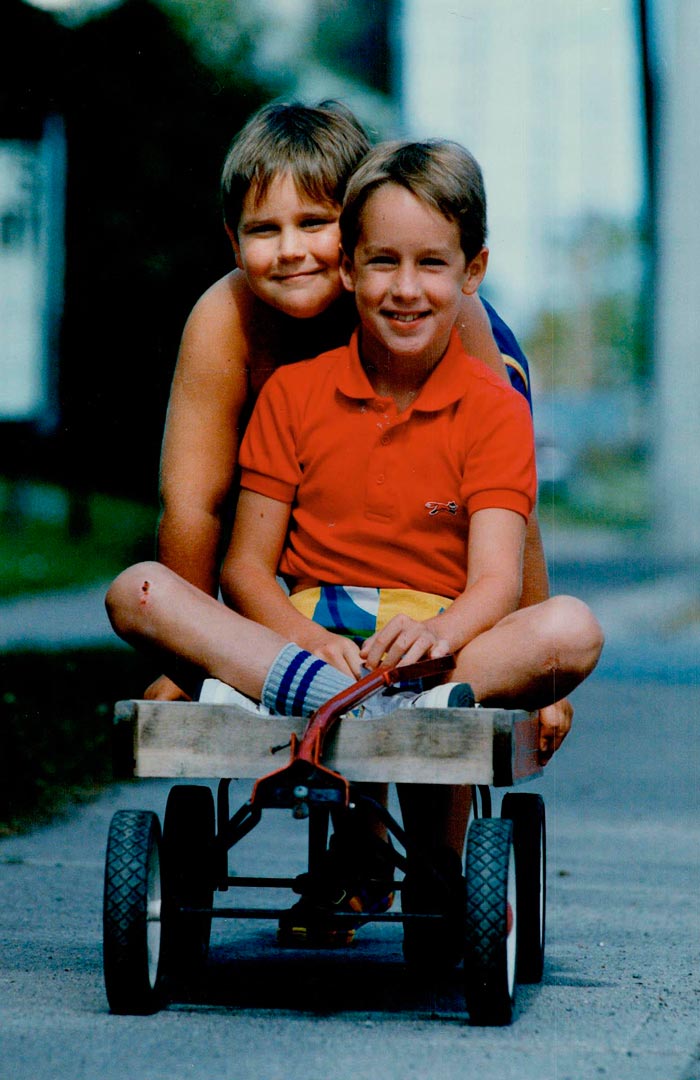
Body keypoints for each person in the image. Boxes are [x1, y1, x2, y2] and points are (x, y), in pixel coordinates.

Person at [218, 138, 604, 949]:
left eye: (431, 264)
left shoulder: (489, 397)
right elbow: (238, 560)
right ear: (350, 269)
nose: (404, 288)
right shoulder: (293, 390)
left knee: (570, 626)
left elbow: (498, 574)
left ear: (472, 273)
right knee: (144, 589)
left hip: (435, 646)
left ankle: (429, 862)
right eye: (382, 262)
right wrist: (310, 643)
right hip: (322, 645)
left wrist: (447, 640)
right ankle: (375, 855)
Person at [148, 99, 568, 765]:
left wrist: (539, 675)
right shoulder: (226, 319)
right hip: (319, 530)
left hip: (436, 519)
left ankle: (437, 846)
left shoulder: (432, 307)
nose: (291, 251)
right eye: (266, 230)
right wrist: (187, 657)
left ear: (353, 233)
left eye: (314, 224)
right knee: (154, 585)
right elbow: (194, 501)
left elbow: (512, 505)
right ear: (234, 241)